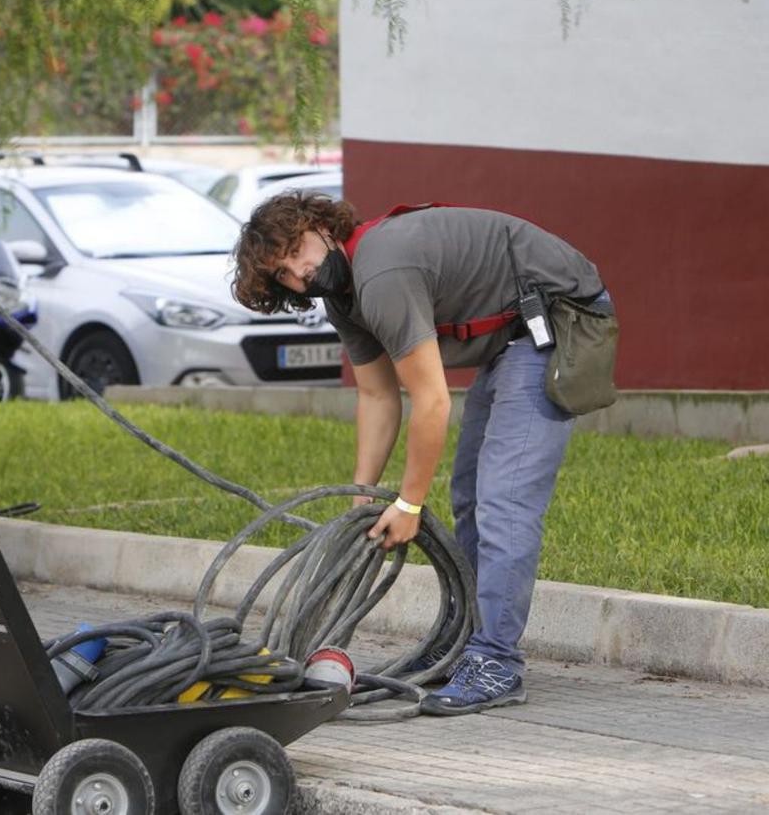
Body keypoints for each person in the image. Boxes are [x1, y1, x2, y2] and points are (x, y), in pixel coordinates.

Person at [231, 193, 614, 715]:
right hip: (510, 338)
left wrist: (409, 504)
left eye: (298, 251)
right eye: (284, 274)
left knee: (504, 499)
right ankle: (468, 643)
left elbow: (432, 401)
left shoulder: (382, 273)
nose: (300, 273)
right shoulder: (344, 298)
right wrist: (362, 500)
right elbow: (377, 396)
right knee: (470, 495)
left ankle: (496, 661)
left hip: (558, 317)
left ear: (322, 227)